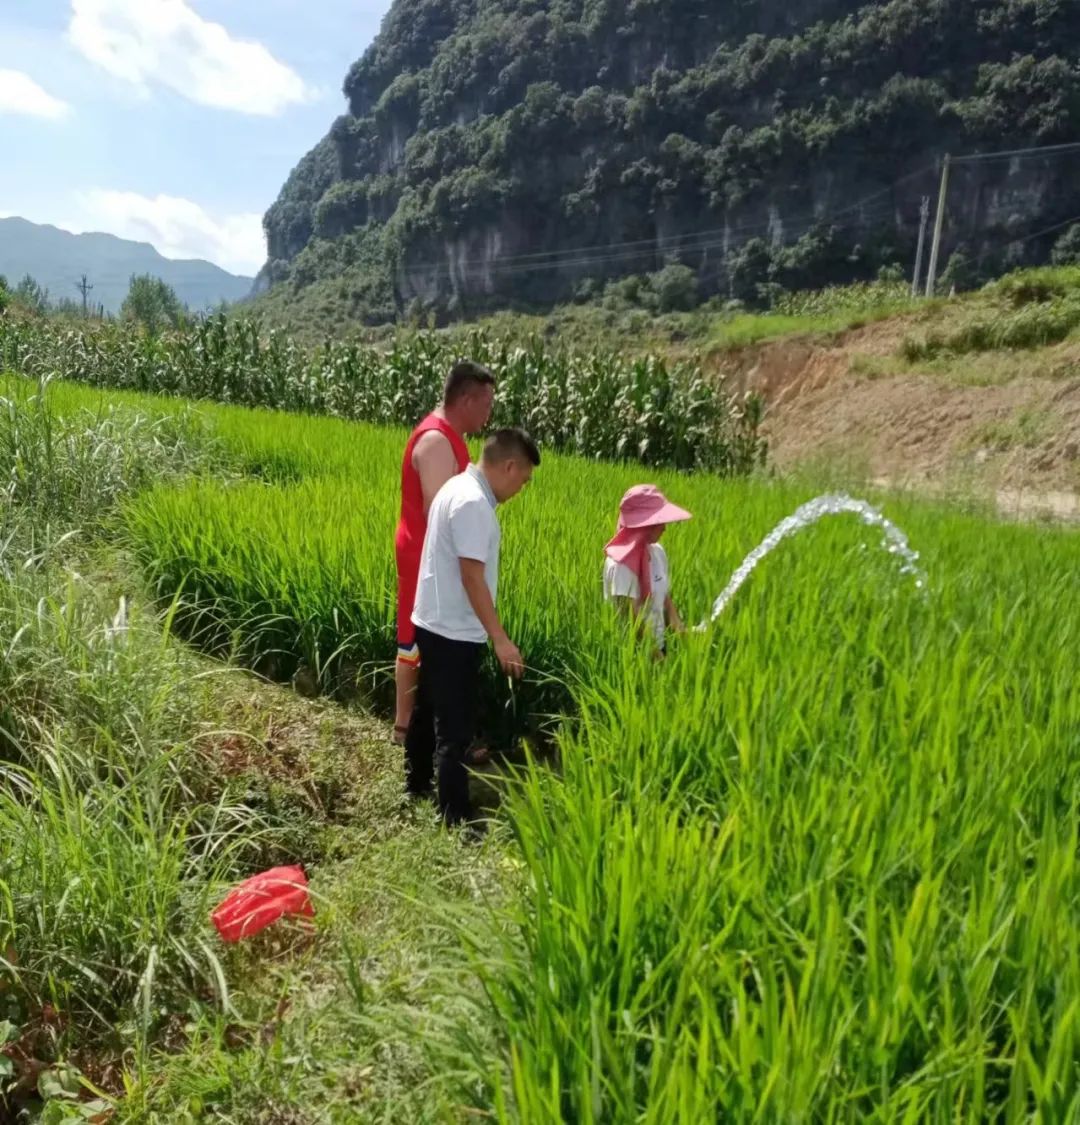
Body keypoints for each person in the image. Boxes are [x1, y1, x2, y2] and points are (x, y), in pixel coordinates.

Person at [405, 428, 540, 826]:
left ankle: (415, 786)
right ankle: (454, 817)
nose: (522, 488)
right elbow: (471, 576)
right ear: (510, 466)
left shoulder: (457, 486)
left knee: (427, 707)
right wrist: (500, 639)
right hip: (453, 632)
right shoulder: (473, 504)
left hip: (433, 620)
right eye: (524, 479)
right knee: (456, 730)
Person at [394, 360, 496, 745]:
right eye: (486, 404)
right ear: (466, 399)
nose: (488, 413)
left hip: (431, 559)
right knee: (414, 641)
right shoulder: (437, 440)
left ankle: (427, 729)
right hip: (422, 558)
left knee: (425, 641)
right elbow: (441, 513)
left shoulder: (451, 435)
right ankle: (404, 730)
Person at [603, 484, 691, 652]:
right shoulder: (620, 565)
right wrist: (657, 659)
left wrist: (679, 627)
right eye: (659, 522)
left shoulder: (657, 552)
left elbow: (664, 596)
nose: (665, 527)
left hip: (659, 645)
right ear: (643, 525)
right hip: (630, 656)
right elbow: (631, 620)